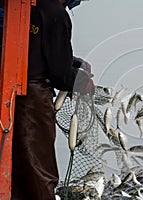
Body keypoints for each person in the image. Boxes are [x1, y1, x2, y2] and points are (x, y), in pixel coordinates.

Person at [11, 0, 93, 199]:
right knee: (39, 167)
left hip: (15, 93)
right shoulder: (55, 13)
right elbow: (58, 73)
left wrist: (75, 63)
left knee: (21, 166)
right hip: (32, 100)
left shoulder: (30, 7)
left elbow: (37, 50)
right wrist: (82, 82)